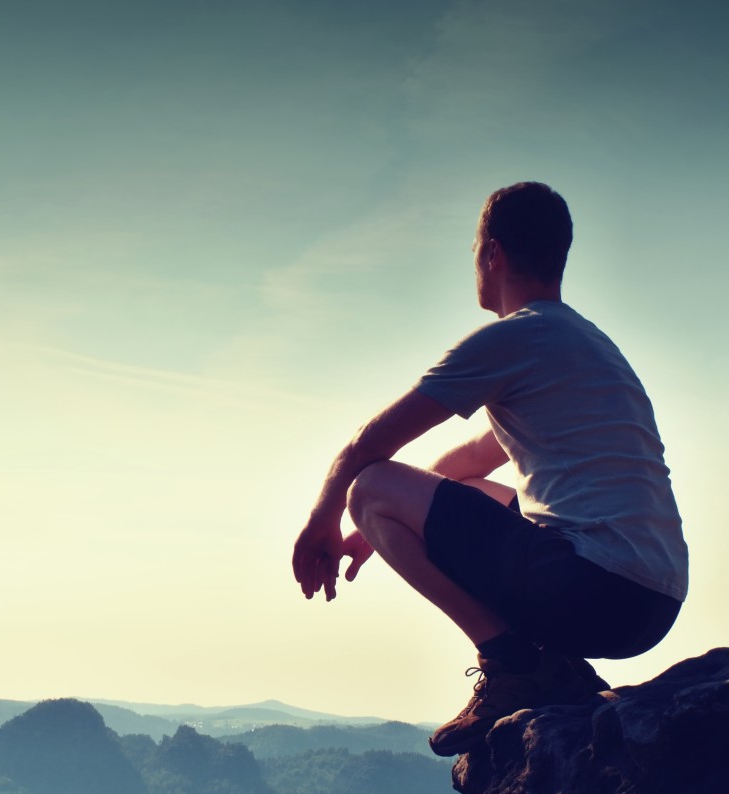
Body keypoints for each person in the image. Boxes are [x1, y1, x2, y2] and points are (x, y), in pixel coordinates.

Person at [292, 182, 688, 757]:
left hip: (592, 588)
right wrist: (373, 534)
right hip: (651, 604)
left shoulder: (515, 337)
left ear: (492, 254)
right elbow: (473, 459)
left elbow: (371, 444)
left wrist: (328, 516)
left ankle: (511, 663)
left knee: (370, 484)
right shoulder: (583, 343)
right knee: (460, 487)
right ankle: (555, 668)